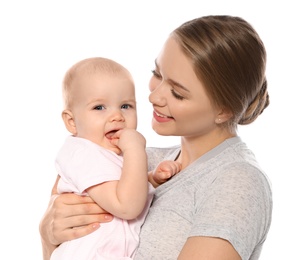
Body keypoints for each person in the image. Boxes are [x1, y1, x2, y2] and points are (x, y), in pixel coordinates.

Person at [40, 15, 273, 260]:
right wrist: (48, 240)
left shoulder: (236, 181)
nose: (153, 97)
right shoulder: (131, 159)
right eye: (157, 73)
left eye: (177, 93)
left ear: (223, 110)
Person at [50, 57, 181, 259]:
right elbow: (127, 206)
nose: (117, 116)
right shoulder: (83, 154)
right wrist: (136, 150)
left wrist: (151, 179)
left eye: (126, 106)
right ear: (71, 122)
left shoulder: (106, 155)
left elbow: (120, 187)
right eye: (99, 107)